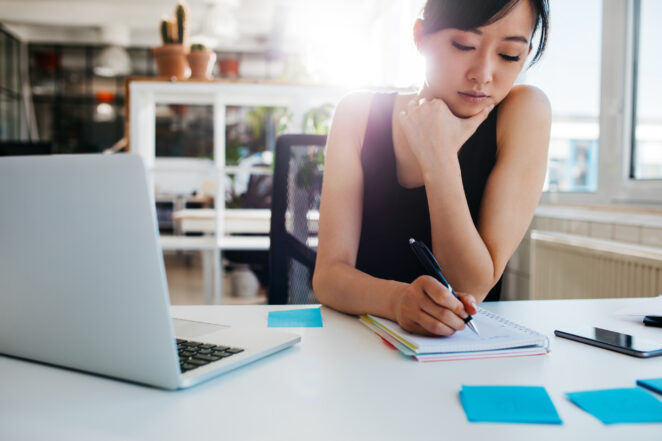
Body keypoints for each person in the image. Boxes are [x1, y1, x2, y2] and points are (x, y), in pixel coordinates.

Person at [312, 0, 551, 336]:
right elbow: (329, 276)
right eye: (464, 45)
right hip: (357, 342)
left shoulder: (523, 112)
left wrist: (438, 159)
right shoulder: (358, 114)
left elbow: (469, 287)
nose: (482, 75)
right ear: (421, 37)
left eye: (509, 55)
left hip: (463, 353)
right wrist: (397, 300)